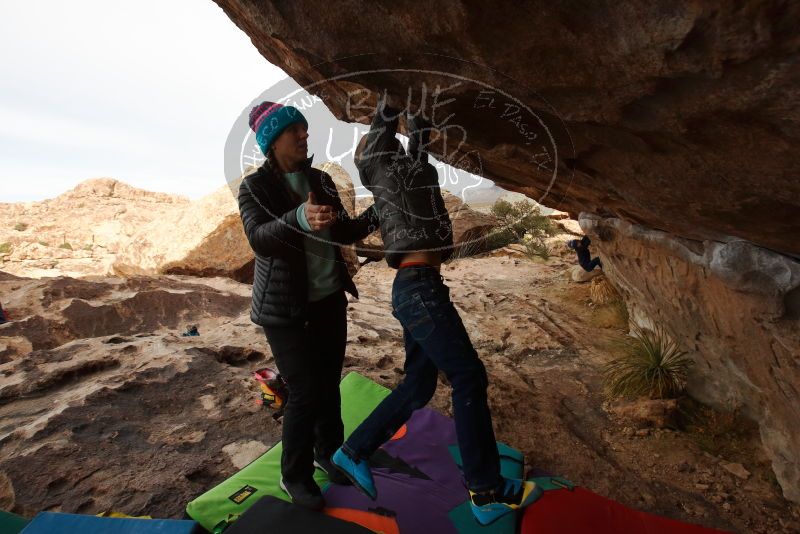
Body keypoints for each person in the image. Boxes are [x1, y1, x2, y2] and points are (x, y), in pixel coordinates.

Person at [330, 93, 541, 526]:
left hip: (422, 288)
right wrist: (390, 99)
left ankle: (352, 452)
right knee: (468, 376)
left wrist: (421, 117)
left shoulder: (410, 174)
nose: (394, 147)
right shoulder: (378, 169)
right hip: (418, 290)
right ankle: (484, 492)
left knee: (418, 386)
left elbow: (418, 151)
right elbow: (379, 139)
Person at [238, 100, 379, 510]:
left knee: (328, 384)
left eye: (304, 128)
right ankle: (293, 474)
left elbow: (344, 230)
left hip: (328, 301)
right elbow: (259, 238)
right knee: (303, 392)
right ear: (271, 141)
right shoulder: (255, 187)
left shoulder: (321, 179)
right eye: (293, 130)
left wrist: (379, 212)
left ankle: (330, 453)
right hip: (284, 310)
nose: (304, 135)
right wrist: (298, 217)